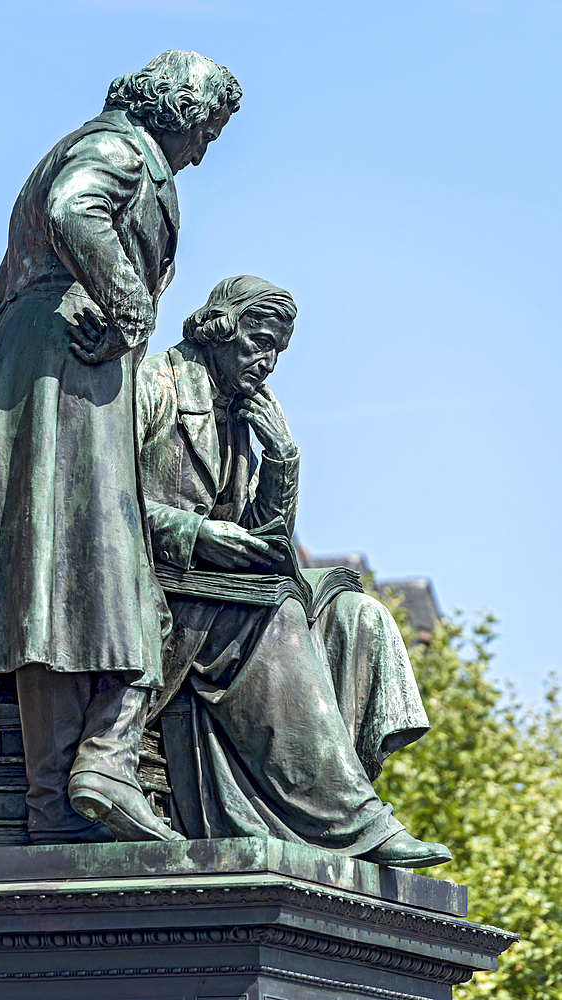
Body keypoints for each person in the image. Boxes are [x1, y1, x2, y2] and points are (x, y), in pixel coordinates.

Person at [0, 52, 241, 846]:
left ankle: (59, 799)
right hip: (63, 364)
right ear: (175, 106)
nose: (205, 148)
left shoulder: (118, 147)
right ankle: (78, 780)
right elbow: (76, 208)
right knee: (78, 565)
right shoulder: (117, 148)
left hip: (55, 361)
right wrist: (130, 306)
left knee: (56, 577)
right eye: (207, 127)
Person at [127, 275, 451, 866]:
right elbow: (98, 504)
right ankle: (353, 825)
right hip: (156, 597)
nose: (268, 362)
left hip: (220, 593)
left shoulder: (239, 412)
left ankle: (327, 809)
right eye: (258, 342)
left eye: (278, 349)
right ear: (219, 330)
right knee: (277, 611)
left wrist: (281, 456)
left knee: (357, 617)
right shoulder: (152, 385)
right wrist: (196, 533)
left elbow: (266, 537)